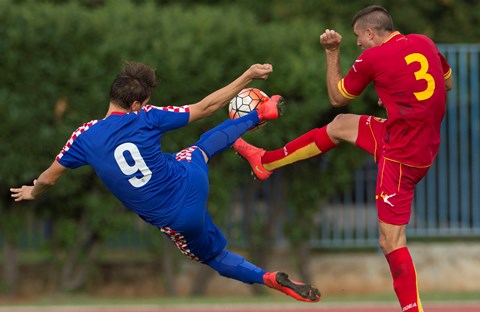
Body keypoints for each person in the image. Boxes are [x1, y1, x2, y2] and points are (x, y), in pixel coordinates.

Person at [10, 61, 320, 302]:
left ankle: (266, 278)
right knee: (201, 147)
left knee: (214, 257)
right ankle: (259, 117)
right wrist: (247, 75)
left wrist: (33, 191)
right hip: (190, 181)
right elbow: (206, 107)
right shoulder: (148, 117)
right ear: (137, 104)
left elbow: (49, 177)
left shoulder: (83, 137)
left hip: (177, 220)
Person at [233, 5, 452, 312]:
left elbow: (337, 98)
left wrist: (332, 51)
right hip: (414, 141)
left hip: (401, 157)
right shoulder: (424, 42)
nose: (357, 44)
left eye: (357, 37)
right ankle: (266, 161)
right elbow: (447, 83)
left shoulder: (373, 57)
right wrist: (399, 92)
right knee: (340, 127)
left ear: (370, 33)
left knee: (391, 242)